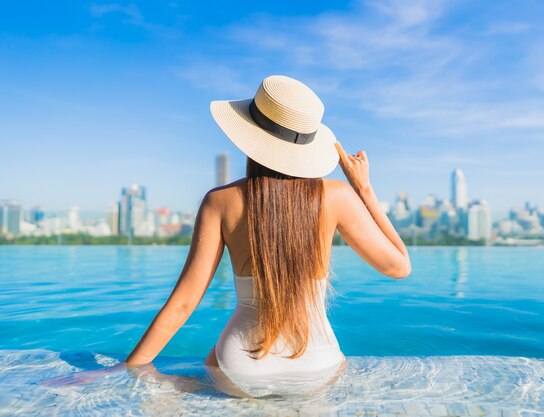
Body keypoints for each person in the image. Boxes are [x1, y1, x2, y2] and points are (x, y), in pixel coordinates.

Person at [45, 75, 411, 396]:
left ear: (250, 138)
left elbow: (183, 304)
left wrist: (126, 369)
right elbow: (400, 267)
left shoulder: (220, 202)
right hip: (318, 368)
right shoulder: (337, 197)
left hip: (241, 371)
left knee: (207, 363)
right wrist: (364, 189)